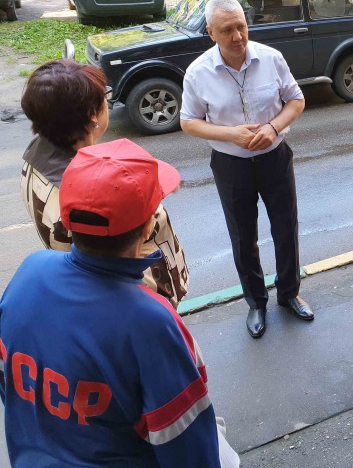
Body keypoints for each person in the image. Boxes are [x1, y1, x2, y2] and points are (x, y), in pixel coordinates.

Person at [0, 139, 228, 466]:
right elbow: (189, 447)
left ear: (66, 216)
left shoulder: (30, 272)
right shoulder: (150, 320)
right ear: (150, 225)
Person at [180, 0, 311, 339]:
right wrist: (229, 134)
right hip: (230, 164)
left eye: (241, 26)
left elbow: (296, 100)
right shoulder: (198, 73)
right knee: (243, 236)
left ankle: (289, 293)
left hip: (275, 158)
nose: (237, 36)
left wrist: (273, 127)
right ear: (211, 32)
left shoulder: (271, 58)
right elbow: (189, 122)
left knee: (286, 228)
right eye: (227, 30)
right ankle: (256, 302)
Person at [19, 59, 189, 308]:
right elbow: (112, 268)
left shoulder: (37, 154)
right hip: (138, 299)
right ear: (93, 116)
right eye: (104, 97)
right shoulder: (90, 195)